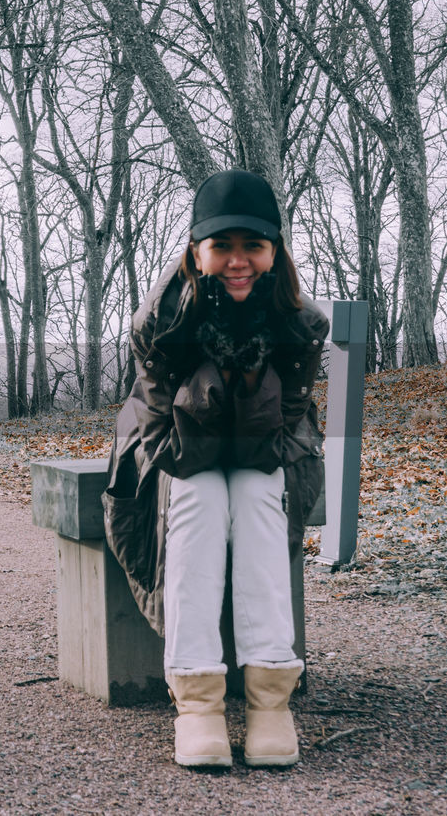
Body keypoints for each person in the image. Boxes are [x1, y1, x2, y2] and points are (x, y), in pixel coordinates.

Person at [103, 169, 329, 768]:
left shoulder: (298, 325)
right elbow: (163, 439)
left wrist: (252, 390)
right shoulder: (163, 322)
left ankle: (269, 702)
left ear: (274, 253)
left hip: (269, 458)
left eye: (252, 246)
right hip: (172, 456)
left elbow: (283, 434)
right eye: (221, 245)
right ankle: (198, 703)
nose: (238, 261)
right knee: (202, 498)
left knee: (255, 496)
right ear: (196, 251)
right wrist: (213, 396)